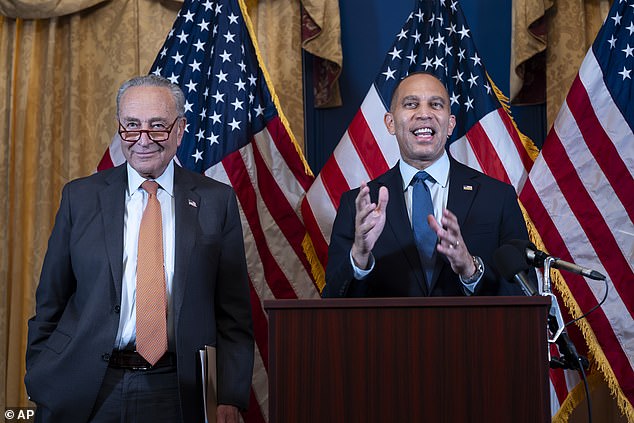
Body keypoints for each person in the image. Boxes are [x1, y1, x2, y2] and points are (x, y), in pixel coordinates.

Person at [25, 75, 254, 423]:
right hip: (85, 387)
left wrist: (229, 395)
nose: (143, 140)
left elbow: (233, 313)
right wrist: (41, 376)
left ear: (180, 130)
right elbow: (51, 302)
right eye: (131, 126)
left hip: (178, 390)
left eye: (157, 126)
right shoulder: (80, 197)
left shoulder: (215, 201)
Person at [323, 72, 527, 298]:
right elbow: (332, 300)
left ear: (450, 125)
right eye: (411, 104)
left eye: (436, 104)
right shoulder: (358, 205)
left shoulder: (497, 197)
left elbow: (524, 293)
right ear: (390, 123)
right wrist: (359, 256)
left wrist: (471, 270)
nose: (424, 114)